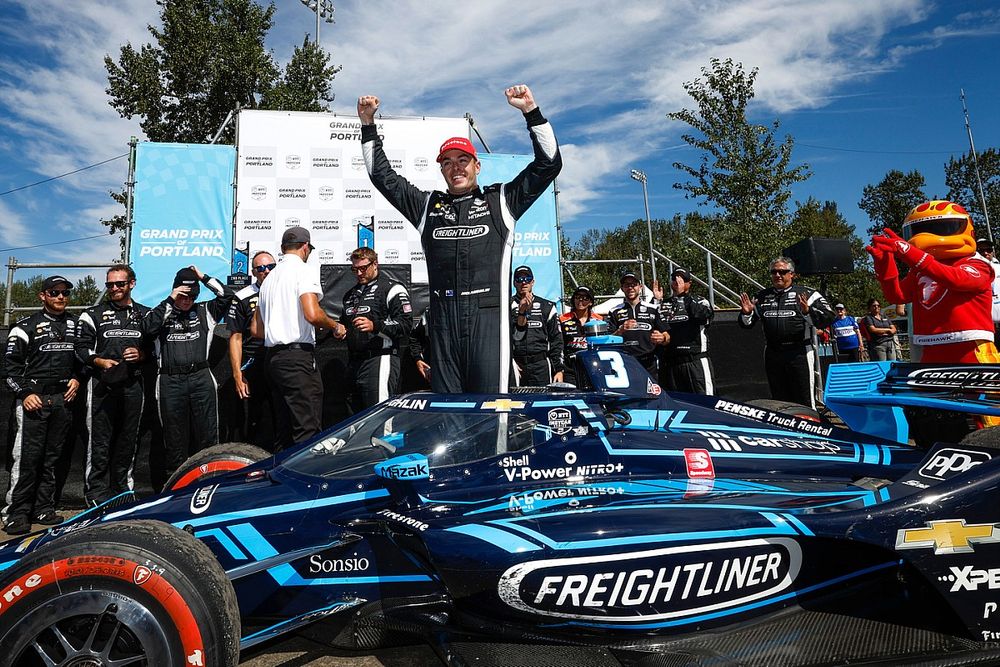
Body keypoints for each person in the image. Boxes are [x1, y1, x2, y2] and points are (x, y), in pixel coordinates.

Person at [357, 84, 561, 394]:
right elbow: (381, 176)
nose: (456, 168)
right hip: (443, 325)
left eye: (462, 160)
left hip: (488, 324)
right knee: (450, 412)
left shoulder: (501, 201)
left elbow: (549, 163)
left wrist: (531, 112)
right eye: (448, 162)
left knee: (491, 409)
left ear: (477, 165)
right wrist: (368, 125)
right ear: (441, 169)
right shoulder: (428, 207)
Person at [868, 201, 996, 364]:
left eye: (939, 228)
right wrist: (885, 265)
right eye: (917, 231)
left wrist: (911, 254)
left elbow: (957, 280)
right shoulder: (920, 270)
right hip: (930, 346)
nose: (925, 238)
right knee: (924, 382)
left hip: (971, 345)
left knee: (980, 382)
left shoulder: (977, 264)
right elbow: (897, 296)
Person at [3, 276, 83, 534]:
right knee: (27, 459)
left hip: (62, 401)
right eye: (54, 292)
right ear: (43, 296)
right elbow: (10, 370)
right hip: (33, 402)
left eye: (65, 292)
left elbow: (82, 360)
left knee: (52, 459)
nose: (60, 297)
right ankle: (16, 512)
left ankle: (43, 508)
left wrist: (77, 378)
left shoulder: (75, 324)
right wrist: (25, 393)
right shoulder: (24, 326)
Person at [143, 265, 234, 484]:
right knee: (173, 437)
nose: (187, 300)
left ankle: (211, 482)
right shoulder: (161, 311)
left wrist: (203, 277)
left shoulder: (205, 310)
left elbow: (227, 295)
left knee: (208, 434)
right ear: (175, 292)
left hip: (201, 377)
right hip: (170, 380)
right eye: (183, 295)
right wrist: (171, 299)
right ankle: (176, 487)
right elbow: (147, 329)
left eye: (192, 296)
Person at [253, 226, 341, 449]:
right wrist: (335, 326)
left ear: (283, 248)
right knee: (307, 429)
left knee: (283, 429)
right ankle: (306, 472)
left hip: (273, 360)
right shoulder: (303, 270)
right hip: (296, 360)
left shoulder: (268, 279)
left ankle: (281, 471)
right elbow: (312, 314)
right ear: (305, 247)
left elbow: (256, 330)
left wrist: (280, 326)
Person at [75, 265, 151, 506]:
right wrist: (98, 361)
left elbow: (154, 351)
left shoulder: (145, 314)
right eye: (110, 284)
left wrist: (141, 355)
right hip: (101, 385)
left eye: (120, 284)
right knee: (99, 440)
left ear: (132, 284)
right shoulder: (92, 314)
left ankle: (122, 490)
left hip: (133, 384)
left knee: (128, 440)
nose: (114, 288)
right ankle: (96, 493)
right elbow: (80, 348)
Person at [739, 257, 834, 410]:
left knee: (803, 398)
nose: (777, 275)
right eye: (774, 272)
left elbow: (828, 318)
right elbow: (746, 324)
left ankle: (807, 424)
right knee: (778, 399)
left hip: (800, 352)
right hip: (773, 352)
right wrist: (746, 313)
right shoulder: (761, 296)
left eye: (782, 272)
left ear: (792, 274)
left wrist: (807, 311)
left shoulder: (808, 293)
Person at [335, 247, 413, 412]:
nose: (359, 273)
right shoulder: (350, 295)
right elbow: (345, 324)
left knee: (378, 414)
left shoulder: (392, 288)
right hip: (354, 362)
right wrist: (339, 329)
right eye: (355, 269)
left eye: (363, 268)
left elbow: (406, 325)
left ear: (375, 264)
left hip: (380, 359)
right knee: (354, 418)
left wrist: (375, 326)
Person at [227, 251, 276, 451]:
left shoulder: (288, 290)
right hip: (253, 364)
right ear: (254, 272)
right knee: (254, 419)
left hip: (281, 360)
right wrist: (237, 374)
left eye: (271, 267)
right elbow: (235, 337)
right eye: (261, 268)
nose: (266, 271)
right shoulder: (242, 296)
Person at [653, 269, 714, 394]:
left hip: (694, 361)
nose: (678, 282)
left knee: (704, 400)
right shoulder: (664, 304)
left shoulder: (699, 301)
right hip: (670, 363)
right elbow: (652, 322)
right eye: (675, 279)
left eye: (682, 279)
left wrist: (684, 297)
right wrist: (656, 301)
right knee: (673, 402)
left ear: (689, 283)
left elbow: (703, 317)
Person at [607, 271, 669, 378]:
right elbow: (607, 340)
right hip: (624, 363)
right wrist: (620, 331)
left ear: (640, 287)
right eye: (627, 285)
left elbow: (667, 336)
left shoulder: (652, 309)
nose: (630, 288)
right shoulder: (614, 311)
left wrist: (662, 338)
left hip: (649, 363)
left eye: (633, 285)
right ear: (622, 288)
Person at [509, 265, 563, 386]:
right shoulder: (506, 306)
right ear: (514, 283)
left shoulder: (547, 306)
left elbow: (556, 340)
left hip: (540, 365)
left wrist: (559, 369)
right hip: (517, 364)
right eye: (519, 279)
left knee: (543, 397)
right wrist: (510, 362)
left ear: (532, 282)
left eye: (527, 279)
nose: (524, 282)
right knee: (516, 398)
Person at [559, 285, 603, 387]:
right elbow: (558, 345)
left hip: (592, 367)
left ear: (590, 302)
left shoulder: (599, 320)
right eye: (577, 297)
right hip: (570, 368)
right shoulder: (562, 319)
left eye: (585, 298)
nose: (580, 300)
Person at [977, 237, 1000, 341]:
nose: (985, 253)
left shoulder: (998, 267)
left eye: (988, 250)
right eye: (981, 250)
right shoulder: (971, 270)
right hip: (985, 321)